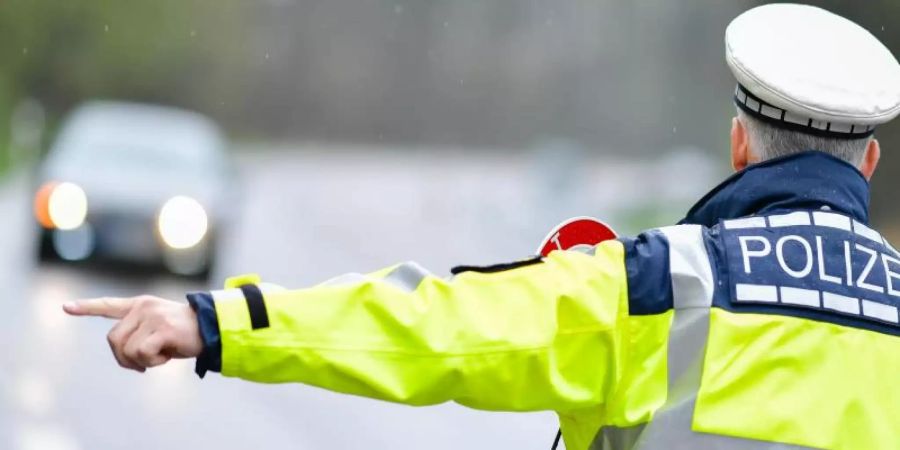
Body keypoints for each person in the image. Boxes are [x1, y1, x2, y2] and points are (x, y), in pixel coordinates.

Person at [65, 4, 900, 449]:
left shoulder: (661, 281)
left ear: (739, 142)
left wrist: (212, 322)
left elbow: (429, 328)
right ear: (866, 166)